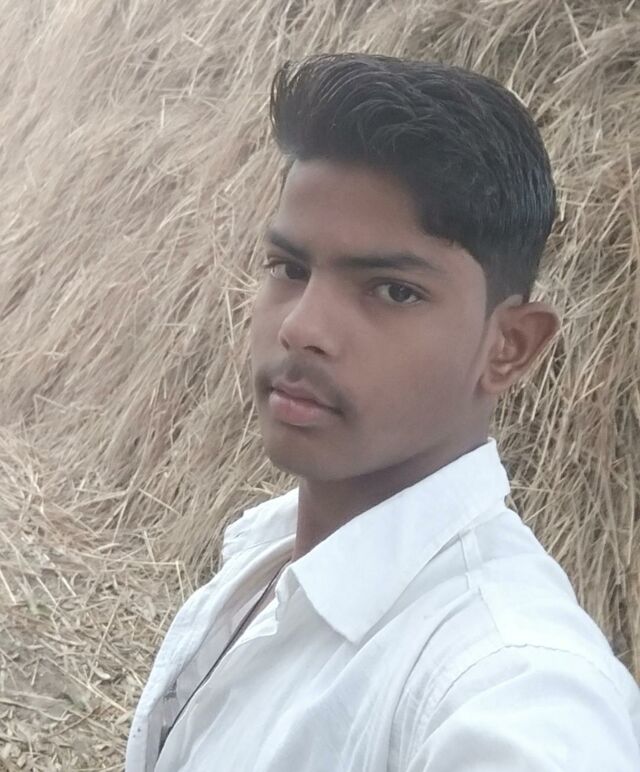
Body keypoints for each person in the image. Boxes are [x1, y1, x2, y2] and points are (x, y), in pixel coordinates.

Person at [126, 53, 640, 771]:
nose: (302, 326)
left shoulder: (509, 682)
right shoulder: (267, 555)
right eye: (290, 269)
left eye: (393, 291)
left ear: (509, 347)